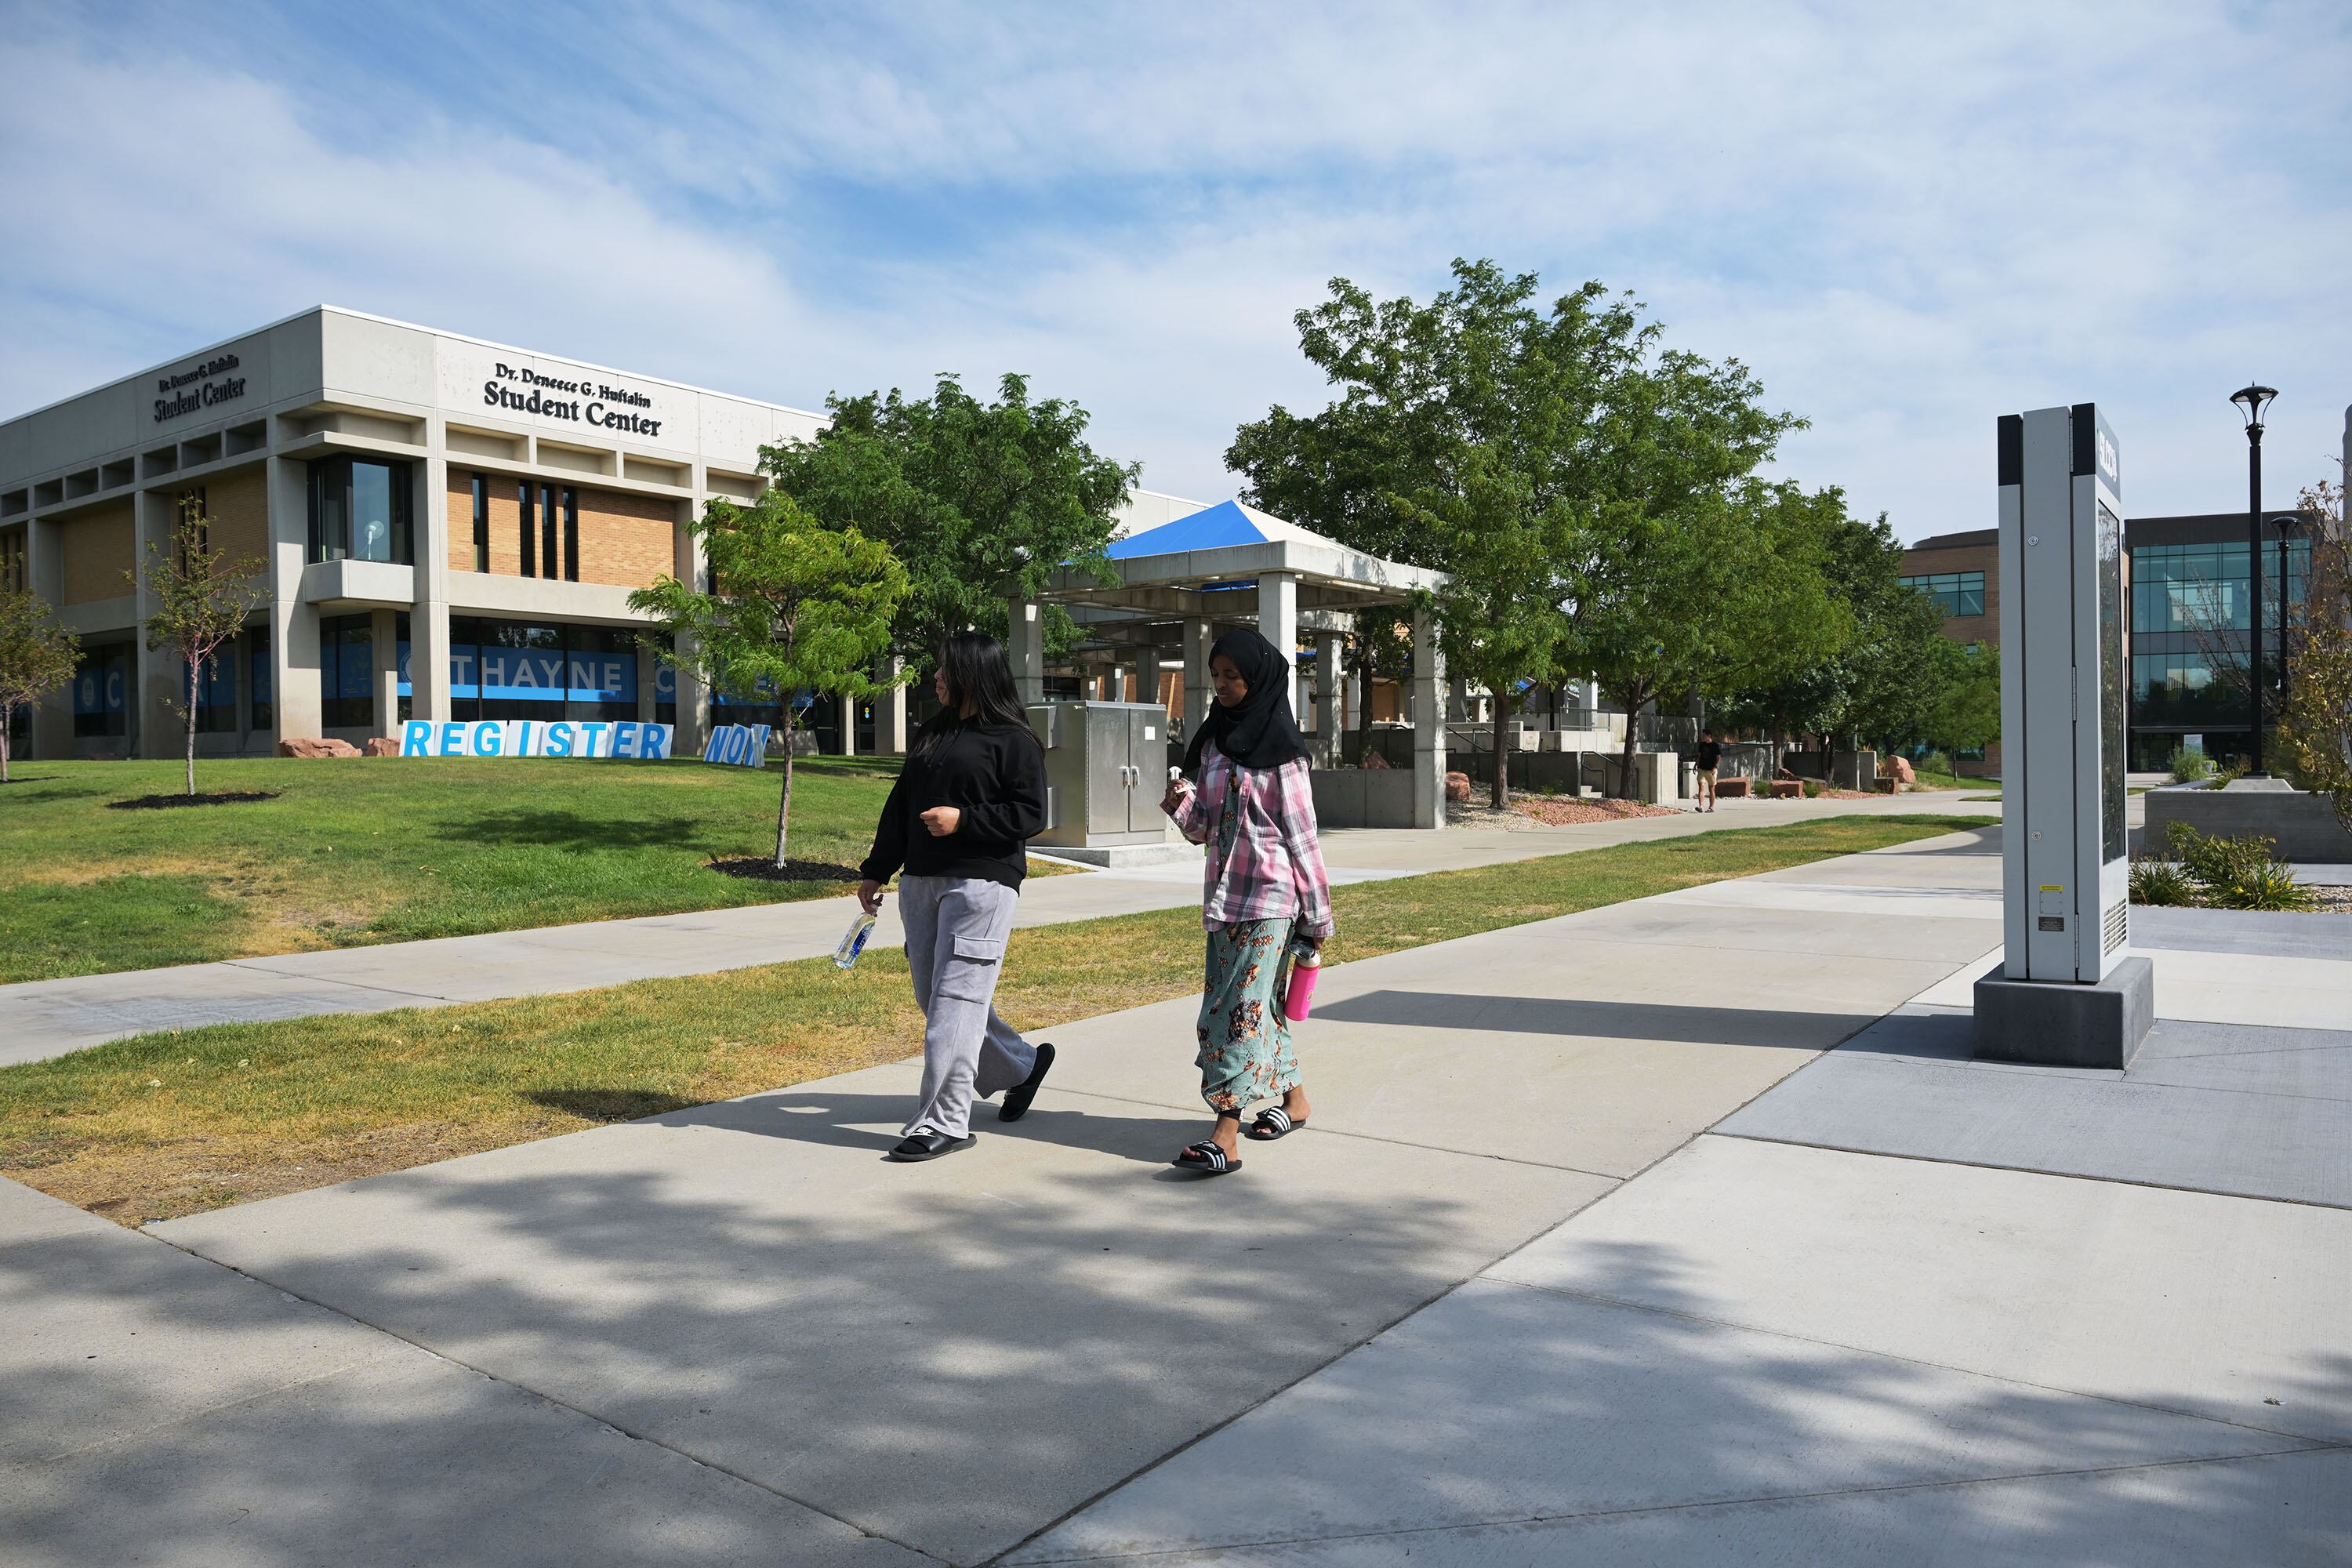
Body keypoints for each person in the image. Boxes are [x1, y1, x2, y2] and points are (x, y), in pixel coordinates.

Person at [858, 632, 1056, 1163]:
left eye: (944, 669)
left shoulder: (1013, 739)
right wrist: (877, 870)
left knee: (955, 1006)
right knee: (935, 999)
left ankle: (943, 1121)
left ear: (972, 672)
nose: (936, 678)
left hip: (983, 883)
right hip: (921, 881)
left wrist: (964, 820)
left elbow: (1032, 815)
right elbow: (901, 805)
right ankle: (1021, 1065)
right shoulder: (933, 732)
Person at [1158, 628, 1333, 1177]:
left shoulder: (1283, 752)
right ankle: (1296, 1100)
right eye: (1216, 676)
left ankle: (1225, 1135)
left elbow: (1303, 838)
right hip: (1224, 899)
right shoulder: (1212, 743)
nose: (1224, 685)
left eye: (1234, 675)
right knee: (1258, 1008)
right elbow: (1204, 828)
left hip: (1273, 900)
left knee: (1234, 1015)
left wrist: (1319, 913)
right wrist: (1180, 807)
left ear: (1258, 679)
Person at [1693, 729, 1722, 812]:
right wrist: (1696, 765)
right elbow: (1699, 756)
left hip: (1711, 770)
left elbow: (1719, 758)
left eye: (1704, 735)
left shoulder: (1715, 745)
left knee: (1711, 788)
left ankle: (1711, 807)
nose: (1703, 737)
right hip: (1702, 769)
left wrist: (1715, 767)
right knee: (1701, 787)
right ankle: (1701, 806)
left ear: (1709, 736)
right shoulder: (1702, 745)